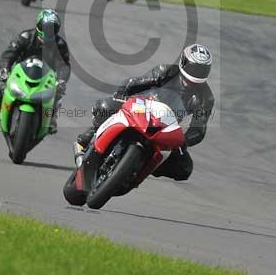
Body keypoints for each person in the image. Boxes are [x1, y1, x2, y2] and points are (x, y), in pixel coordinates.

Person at [76, 43, 214, 181]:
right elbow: (135, 82)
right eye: (194, 68)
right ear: (184, 62)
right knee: (105, 107)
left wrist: (184, 141)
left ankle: (141, 168)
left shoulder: (205, 97)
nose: (196, 74)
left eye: (201, 70)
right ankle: (86, 140)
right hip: (140, 108)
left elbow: (199, 128)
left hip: (164, 125)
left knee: (184, 168)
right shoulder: (167, 71)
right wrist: (120, 95)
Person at [0, 9, 71, 134]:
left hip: (45, 78)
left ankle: (51, 120)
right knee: (2, 83)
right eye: (45, 27)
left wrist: (61, 80)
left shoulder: (60, 44)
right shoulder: (25, 37)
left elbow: (64, 65)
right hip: (22, 72)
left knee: (58, 94)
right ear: (38, 26)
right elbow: (8, 54)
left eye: (52, 28)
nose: (48, 31)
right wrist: (5, 69)